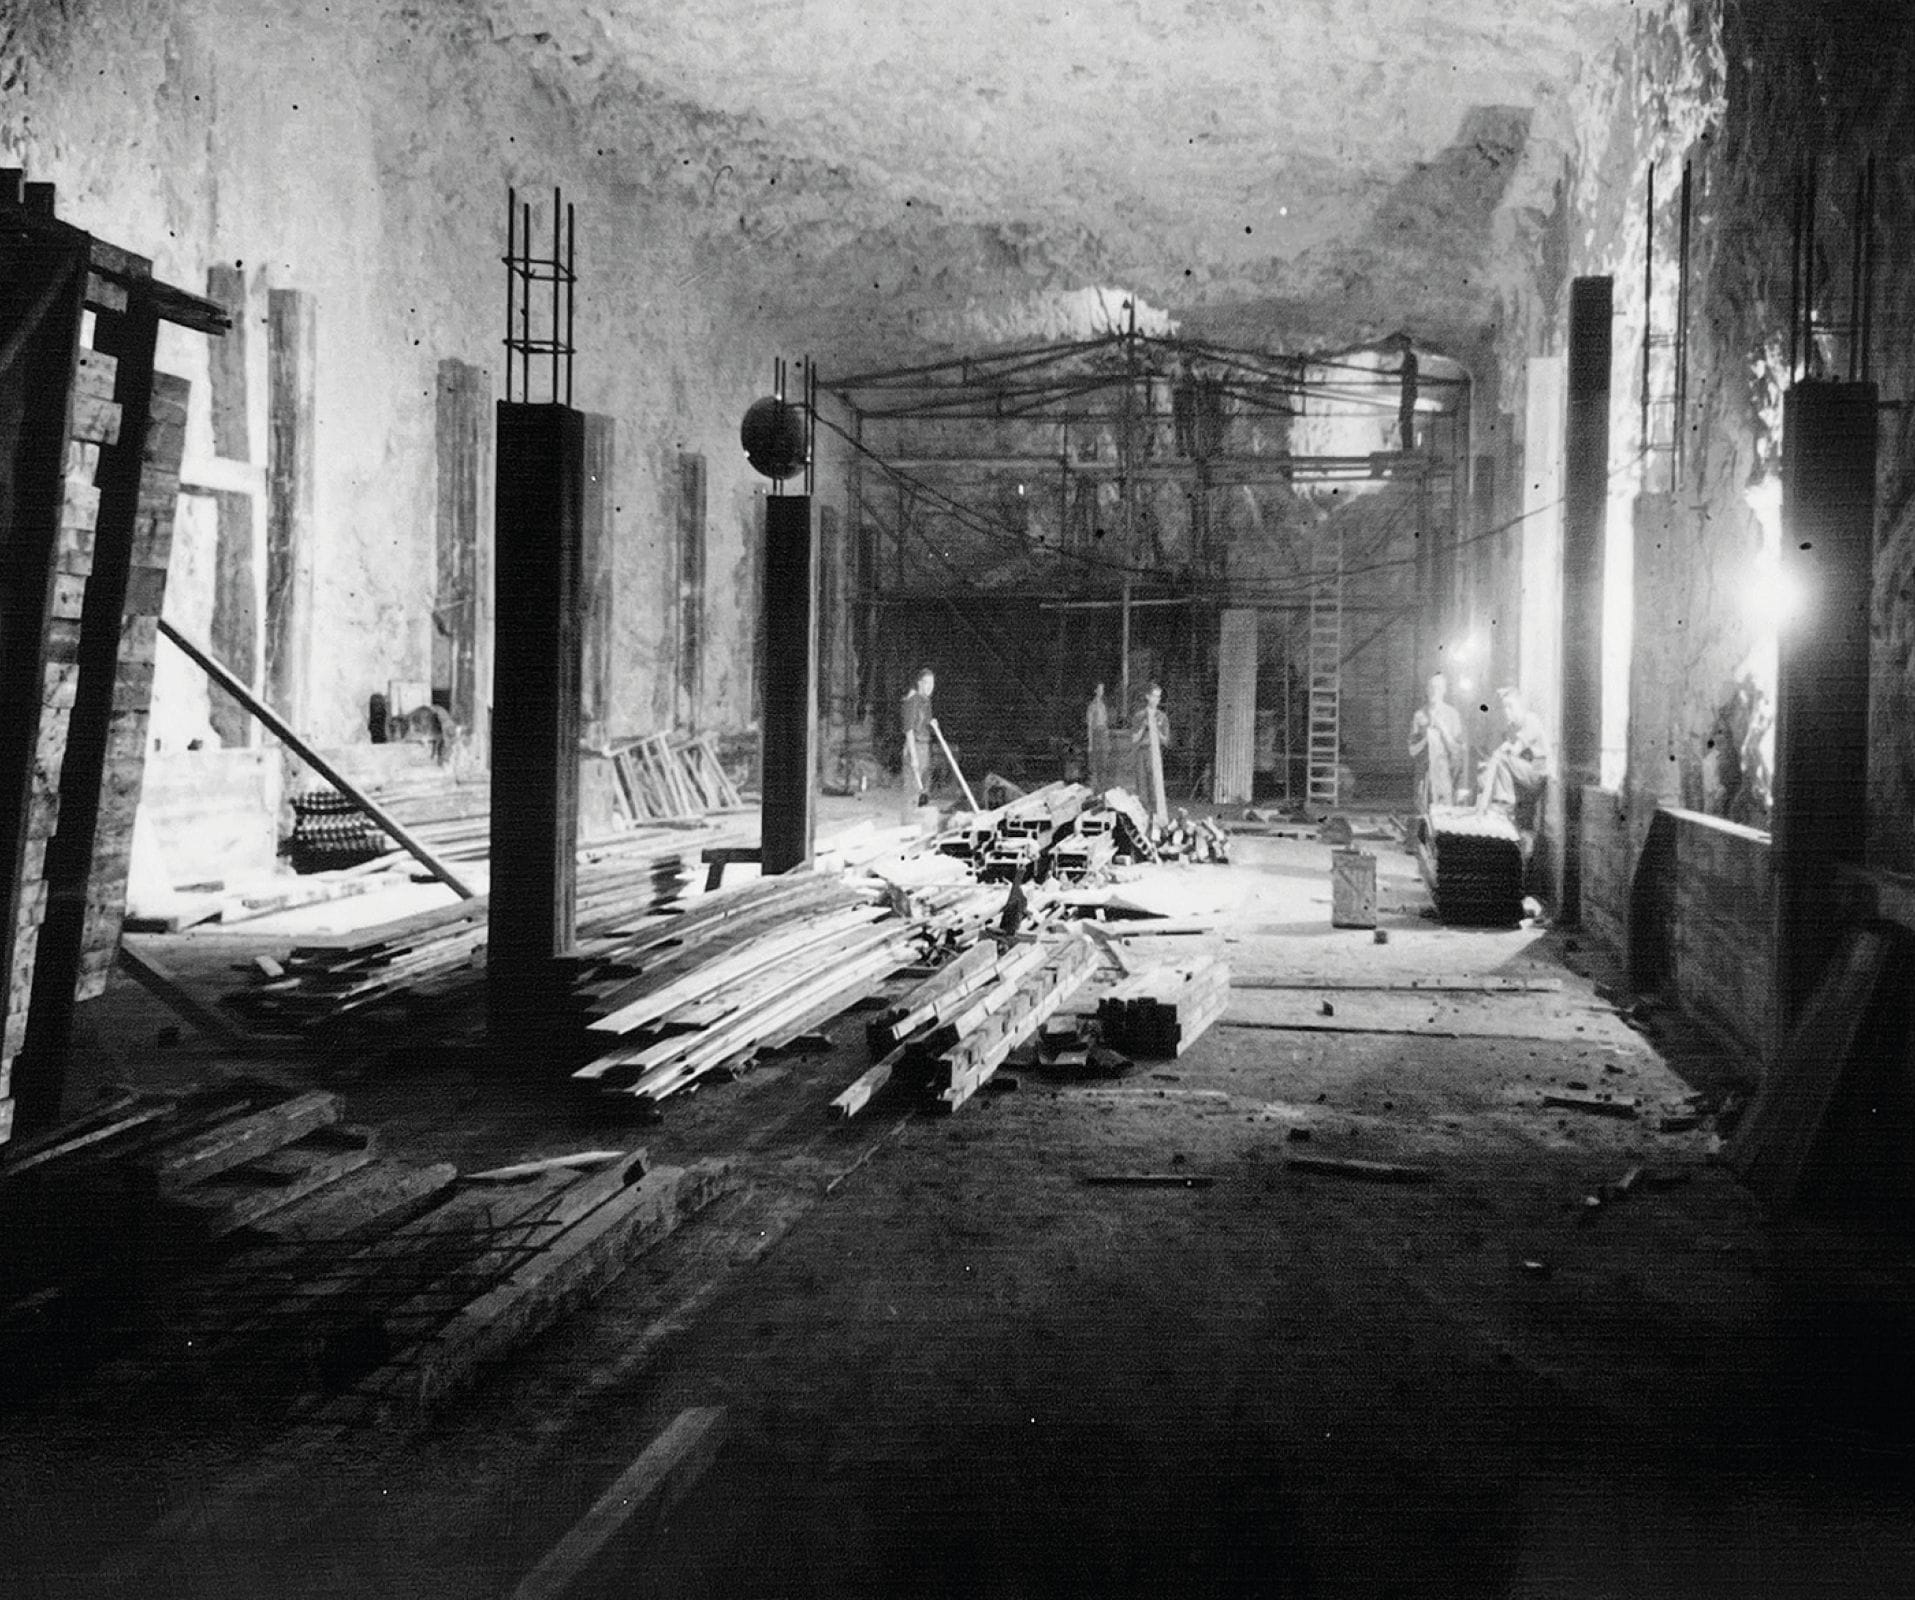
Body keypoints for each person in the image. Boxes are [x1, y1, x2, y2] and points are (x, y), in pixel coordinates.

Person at [1477, 685, 1551, 825]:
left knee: (1500, 758)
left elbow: (1516, 750)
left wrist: (1505, 749)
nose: (1507, 712)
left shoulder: (1531, 720)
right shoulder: (1513, 728)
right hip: (1524, 772)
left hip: (1538, 771)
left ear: (1520, 706)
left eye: (1510, 707)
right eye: (1505, 707)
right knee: (1490, 767)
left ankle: (1504, 805)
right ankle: (1484, 808)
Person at [1408, 671, 1465, 812]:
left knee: (1444, 814)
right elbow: (1412, 751)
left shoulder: (1452, 715)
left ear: (1444, 690)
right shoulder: (1419, 715)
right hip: (1424, 777)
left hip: (1444, 776)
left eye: (1438, 688)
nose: (1434, 691)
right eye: (1431, 687)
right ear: (1427, 689)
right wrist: (1426, 739)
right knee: (1424, 815)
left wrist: (1443, 729)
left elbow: (1458, 750)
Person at [1130, 682, 1171, 825]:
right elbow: (1134, 739)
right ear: (1147, 696)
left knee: (1155, 787)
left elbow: (1166, 740)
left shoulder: (1162, 717)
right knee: (1142, 787)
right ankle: (1143, 819)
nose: (1156, 700)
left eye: (1159, 697)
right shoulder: (1139, 716)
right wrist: (1143, 727)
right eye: (1154, 696)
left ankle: (1156, 820)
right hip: (1142, 752)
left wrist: (1157, 730)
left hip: (1155, 753)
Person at [901, 666, 937, 808]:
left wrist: (932, 723)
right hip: (914, 745)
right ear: (919, 683)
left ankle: (920, 814)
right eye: (927, 683)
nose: (930, 687)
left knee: (924, 786)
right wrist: (914, 756)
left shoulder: (926, 702)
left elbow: (925, 723)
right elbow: (909, 730)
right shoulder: (913, 701)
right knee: (913, 789)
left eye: (932, 683)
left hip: (924, 746)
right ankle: (910, 815)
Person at [1085, 682, 1112, 793]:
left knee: (1104, 763)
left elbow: (1105, 722)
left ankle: (1103, 789)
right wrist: (1090, 743)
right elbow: (1090, 725)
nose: (1102, 692)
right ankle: (1094, 789)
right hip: (1096, 734)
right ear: (1095, 691)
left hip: (1103, 735)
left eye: (1103, 689)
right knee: (1095, 764)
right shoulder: (1092, 706)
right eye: (1100, 689)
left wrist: (1107, 739)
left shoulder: (1103, 705)